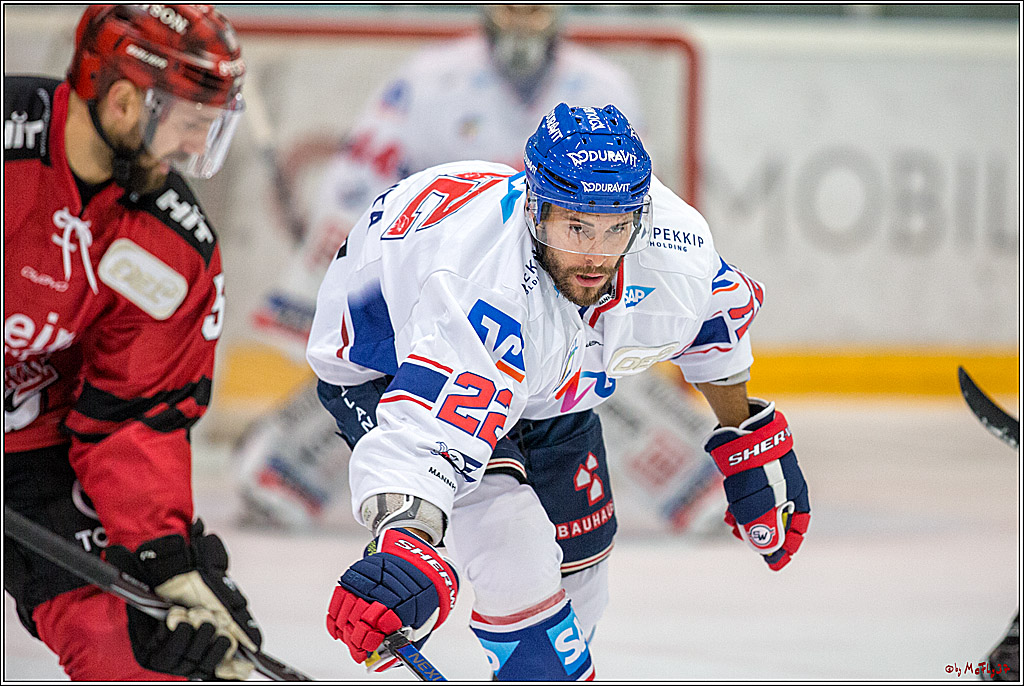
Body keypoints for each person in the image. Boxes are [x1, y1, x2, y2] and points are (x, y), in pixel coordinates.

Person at [305, 102, 812, 680]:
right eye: (577, 227)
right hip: (390, 360)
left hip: (545, 385)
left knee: (583, 575)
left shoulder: (675, 252)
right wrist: (405, 545)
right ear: (536, 212)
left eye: (616, 227)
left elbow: (711, 322)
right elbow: (426, 440)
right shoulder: (482, 291)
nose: (597, 254)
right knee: (513, 548)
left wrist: (746, 436)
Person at [233, 4, 654, 530]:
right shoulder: (430, 78)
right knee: (388, 368)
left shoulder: (603, 86)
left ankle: (679, 476)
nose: (524, 15)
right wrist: (337, 259)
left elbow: (632, 203)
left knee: (592, 360)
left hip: (558, 274)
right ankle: (284, 467)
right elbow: (363, 171)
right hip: (444, 283)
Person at [4, 5, 262, 680]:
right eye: (190, 124)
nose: (191, 149)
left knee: (141, 643)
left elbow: (134, 417)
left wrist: (164, 563)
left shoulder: (169, 243)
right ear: (123, 100)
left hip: (32, 449)